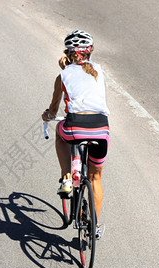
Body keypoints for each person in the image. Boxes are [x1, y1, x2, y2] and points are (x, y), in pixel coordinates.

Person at [41, 30, 110, 239]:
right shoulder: (99, 70)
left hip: (74, 128)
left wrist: (47, 116)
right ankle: (94, 227)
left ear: (67, 53)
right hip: (101, 128)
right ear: (90, 53)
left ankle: (67, 177)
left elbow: (53, 110)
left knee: (59, 132)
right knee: (95, 177)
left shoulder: (62, 75)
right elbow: (83, 78)